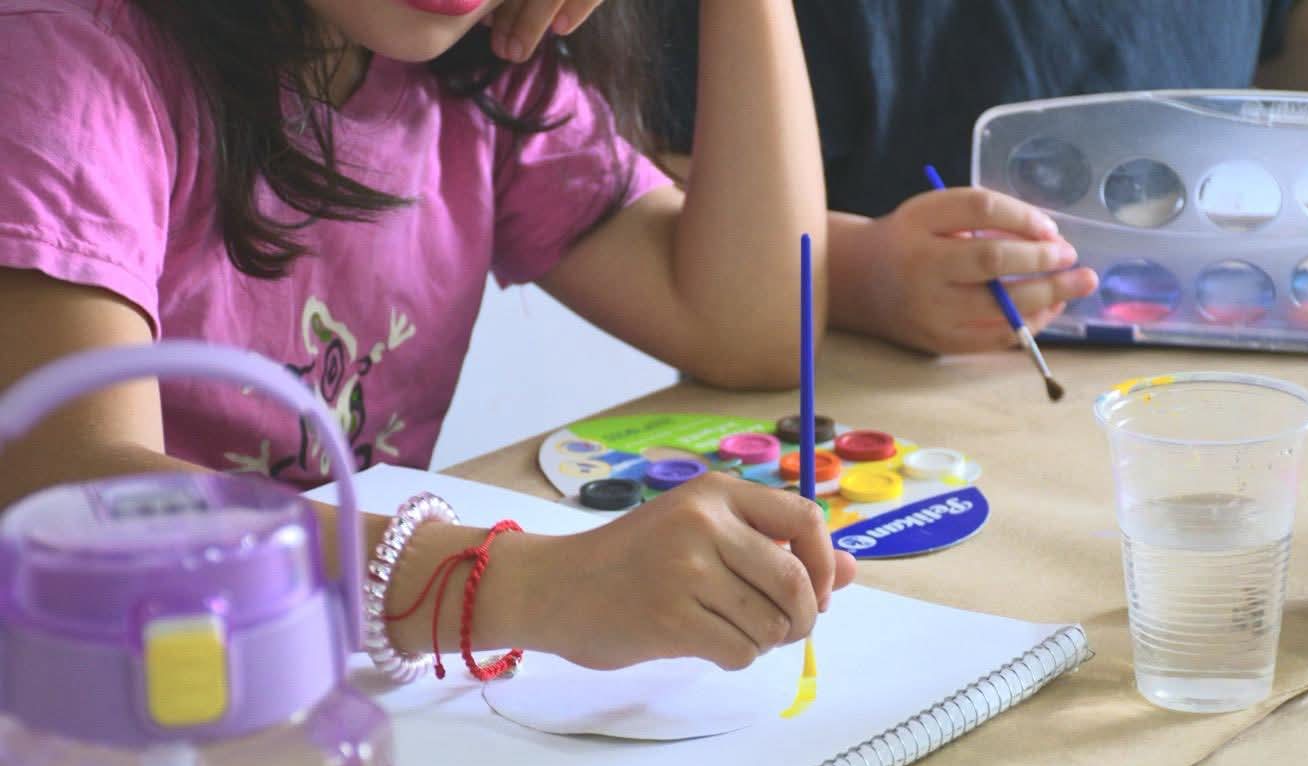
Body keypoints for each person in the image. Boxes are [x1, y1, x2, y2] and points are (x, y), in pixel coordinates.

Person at [0, 0, 855, 677]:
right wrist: (529, 586)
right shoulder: (68, 60)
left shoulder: (478, 72)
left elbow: (754, 324)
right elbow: (72, 499)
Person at [656, 0, 1308, 354]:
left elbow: (1281, 30)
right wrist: (862, 273)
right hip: (923, 392)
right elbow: (655, 182)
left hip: (1225, 314)